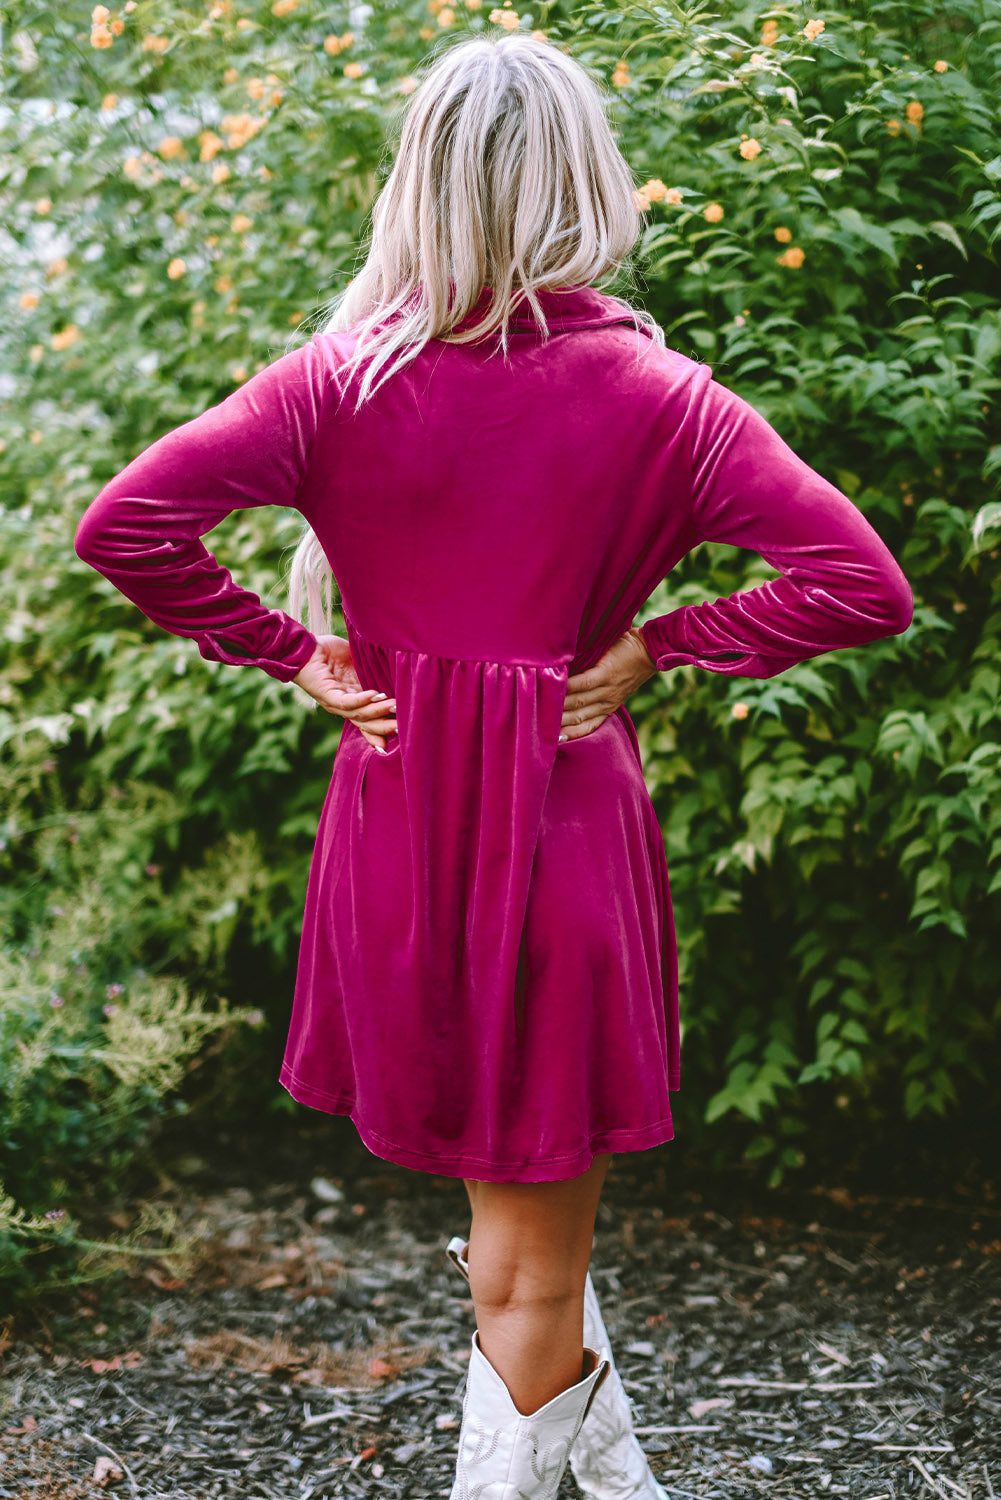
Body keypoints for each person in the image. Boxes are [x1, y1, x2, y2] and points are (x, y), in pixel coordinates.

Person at [73, 29, 914, 1500]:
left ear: (418, 185)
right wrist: (660, 644)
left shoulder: (331, 385)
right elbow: (860, 585)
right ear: (587, 181)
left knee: (512, 1220)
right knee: (527, 1245)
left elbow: (126, 530)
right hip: (558, 830)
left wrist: (292, 653)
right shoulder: (664, 403)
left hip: (399, 833)